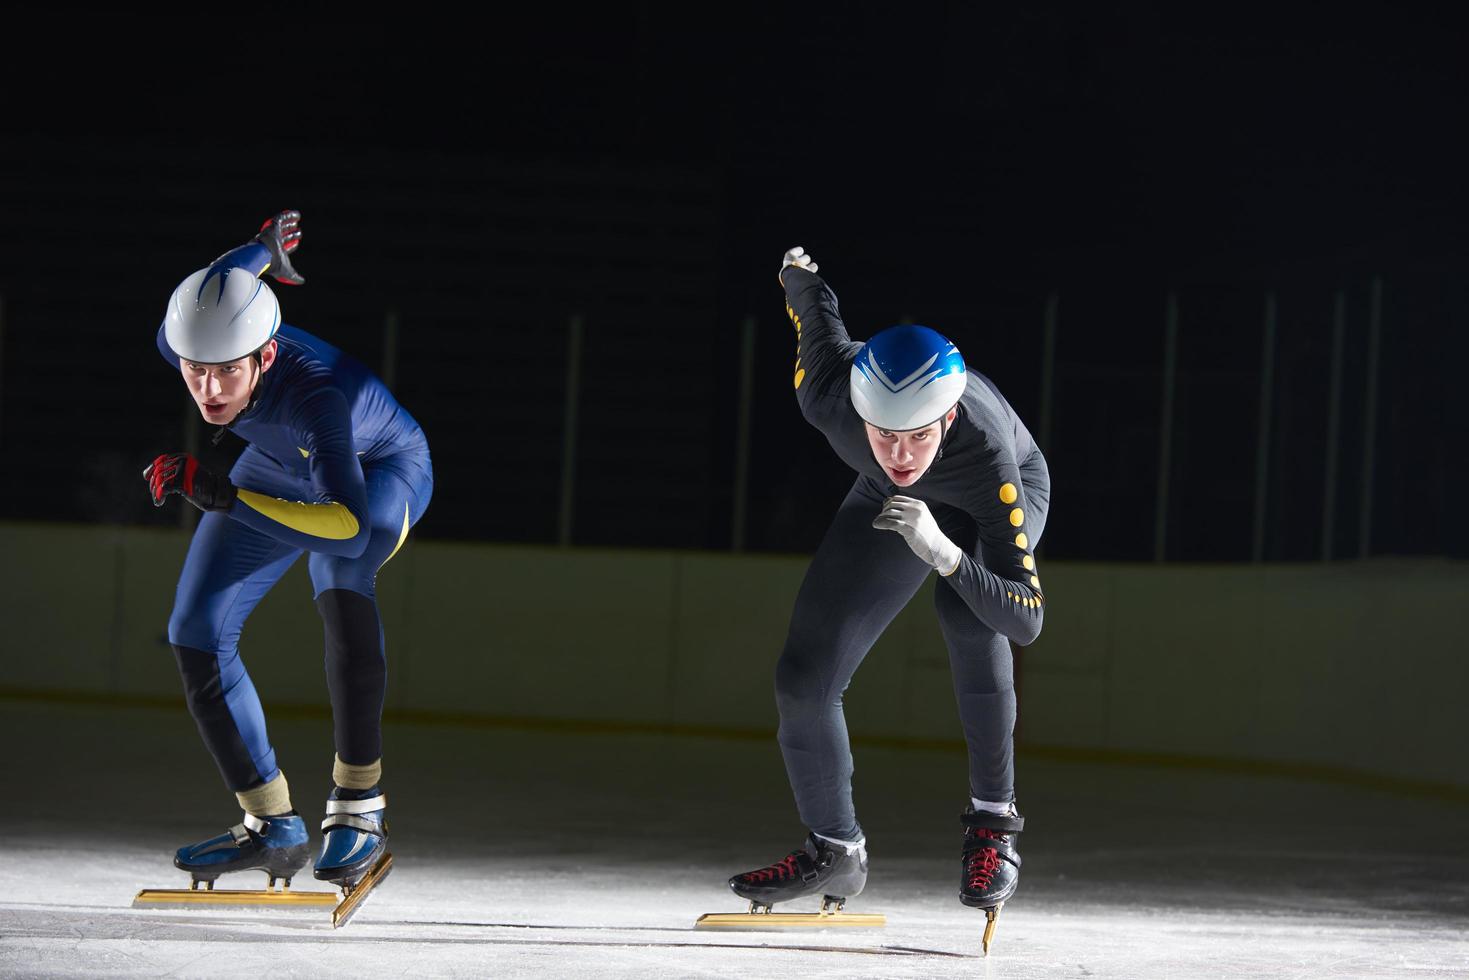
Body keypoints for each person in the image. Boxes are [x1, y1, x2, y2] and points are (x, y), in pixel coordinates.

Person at [727, 247, 1050, 945]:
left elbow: (1025, 621)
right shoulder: (829, 396)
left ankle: (994, 827)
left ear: (948, 418)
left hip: (987, 495)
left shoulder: (989, 454)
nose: (900, 455)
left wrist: (945, 555)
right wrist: (797, 272)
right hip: (888, 505)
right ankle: (833, 851)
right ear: (858, 415)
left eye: (917, 437)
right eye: (883, 436)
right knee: (803, 677)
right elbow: (814, 310)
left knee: (969, 621)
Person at [143, 211, 433, 890]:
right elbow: (229, 274)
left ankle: (360, 804)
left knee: (339, 573)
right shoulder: (183, 334)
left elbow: (348, 526)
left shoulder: (317, 398)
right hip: (276, 462)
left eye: (225, 373)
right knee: (195, 630)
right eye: (194, 371)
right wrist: (264, 247)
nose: (208, 391)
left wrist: (220, 496)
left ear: (266, 356)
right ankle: (270, 824)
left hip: (376, 467)